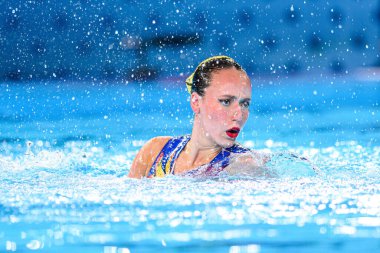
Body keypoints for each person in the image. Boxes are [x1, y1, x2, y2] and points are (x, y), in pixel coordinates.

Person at [128, 55, 260, 178]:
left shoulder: (243, 165)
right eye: (226, 101)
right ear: (196, 102)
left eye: (245, 104)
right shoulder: (154, 151)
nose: (239, 115)